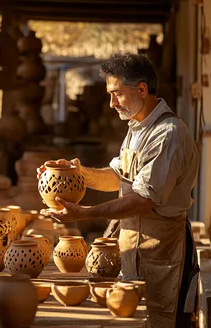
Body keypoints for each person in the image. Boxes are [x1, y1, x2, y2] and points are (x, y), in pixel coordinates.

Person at [37, 53, 199, 328]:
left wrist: (85, 213)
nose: (112, 103)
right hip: (134, 247)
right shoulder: (137, 127)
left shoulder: (167, 134)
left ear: (142, 90)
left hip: (163, 250)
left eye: (117, 94)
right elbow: (118, 177)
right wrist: (78, 174)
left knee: (161, 319)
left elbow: (142, 201)